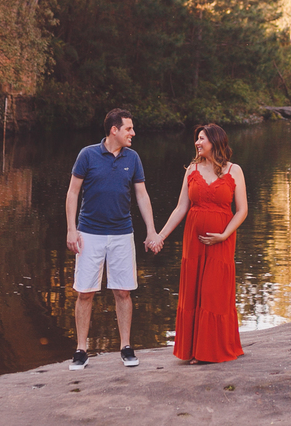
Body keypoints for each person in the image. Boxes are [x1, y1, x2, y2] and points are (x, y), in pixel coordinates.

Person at [65, 108, 162, 370]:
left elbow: (142, 196)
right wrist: (71, 229)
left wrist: (151, 230)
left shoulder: (133, 158)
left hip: (122, 233)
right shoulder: (87, 155)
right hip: (89, 233)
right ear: (114, 130)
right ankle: (81, 349)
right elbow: (73, 193)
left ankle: (126, 347)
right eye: (129, 128)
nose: (133, 133)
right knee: (85, 292)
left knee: (123, 291)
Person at [153, 123, 247, 364]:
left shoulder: (234, 170)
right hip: (193, 242)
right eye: (197, 139)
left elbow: (242, 210)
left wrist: (224, 235)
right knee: (195, 292)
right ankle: (195, 350)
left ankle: (211, 350)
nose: (197, 143)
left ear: (215, 142)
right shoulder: (192, 169)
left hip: (221, 242)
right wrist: (160, 236)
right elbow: (181, 208)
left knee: (213, 293)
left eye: (202, 139)